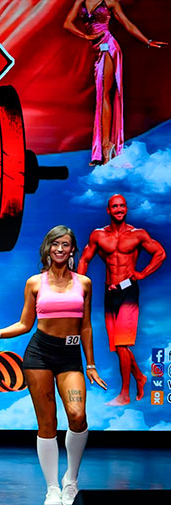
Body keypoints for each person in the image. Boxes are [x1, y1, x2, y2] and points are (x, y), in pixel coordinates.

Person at [0, 226, 106, 505]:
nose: (60, 249)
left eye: (65, 244)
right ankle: (52, 489)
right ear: (48, 248)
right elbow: (25, 324)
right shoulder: (35, 283)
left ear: (73, 250)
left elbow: (85, 326)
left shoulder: (84, 283)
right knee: (47, 423)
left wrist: (91, 363)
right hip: (40, 355)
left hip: (70, 356)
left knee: (77, 415)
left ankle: (71, 480)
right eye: (55, 244)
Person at [78, 194, 165, 406]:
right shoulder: (98, 235)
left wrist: (143, 273)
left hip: (128, 291)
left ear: (126, 209)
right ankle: (140, 377)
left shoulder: (138, 234)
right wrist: (77, 288)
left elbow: (160, 253)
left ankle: (125, 394)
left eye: (122, 206)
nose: (119, 209)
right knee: (118, 346)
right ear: (108, 210)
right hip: (110, 292)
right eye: (115, 206)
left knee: (122, 343)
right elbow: (84, 259)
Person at [63, 0, 166, 165]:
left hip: (108, 47)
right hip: (96, 49)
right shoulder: (81, 1)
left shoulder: (110, 2)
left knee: (103, 95)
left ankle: (106, 146)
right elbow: (67, 23)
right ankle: (102, 148)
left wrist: (147, 41)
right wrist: (86, 36)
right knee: (101, 96)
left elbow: (127, 23)